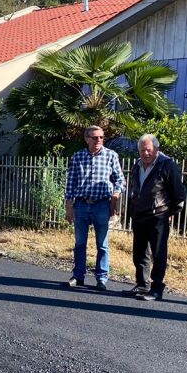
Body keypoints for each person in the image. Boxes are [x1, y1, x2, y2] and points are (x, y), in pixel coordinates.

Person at [63, 125, 126, 291]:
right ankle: (78, 276)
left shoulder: (111, 156)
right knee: (80, 243)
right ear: (87, 139)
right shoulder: (78, 157)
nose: (99, 140)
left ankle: (102, 278)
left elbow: (120, 180)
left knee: (102, 244)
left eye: (101, 137)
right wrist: (69, 208)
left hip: (101, 205)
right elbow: (70, 184)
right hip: (82, 204)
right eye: (95, 137)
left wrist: (115, 196)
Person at [125, 134, 186, 301]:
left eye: (148, 150)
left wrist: (169, 213)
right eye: (142, 150)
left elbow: (178, 193)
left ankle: (157, 288)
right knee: (139, 253)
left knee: (158, 253)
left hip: (158, 215)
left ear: (156, 149)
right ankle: (142, 284)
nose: (145, 153)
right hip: (139, 215)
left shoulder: (167, 164)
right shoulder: (137, 165)